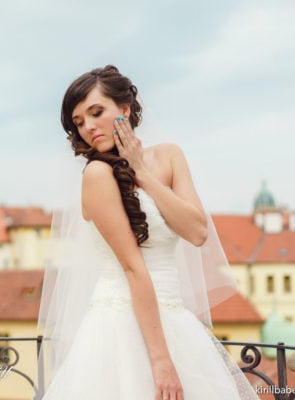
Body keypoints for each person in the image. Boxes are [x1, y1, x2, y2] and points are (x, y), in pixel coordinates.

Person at [36, 65, 259, 400]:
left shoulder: (170, 156)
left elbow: (197, 231)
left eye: (96, 112)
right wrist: (160, 360)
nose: (89, 127)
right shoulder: (97, 174)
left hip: (176, 320)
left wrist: (140, 171)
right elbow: (132, 267)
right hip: (120, 326)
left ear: (124, 110)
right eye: (79, 122)